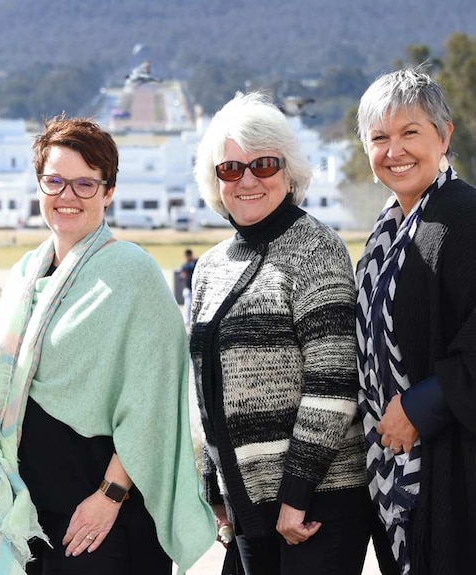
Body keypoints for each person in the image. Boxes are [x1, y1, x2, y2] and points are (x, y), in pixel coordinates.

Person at [0, 115, 215, 575]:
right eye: (55, 181)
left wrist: (110, 495)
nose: (67, 196)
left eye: (85, 184)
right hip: (27, 515)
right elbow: (10, 384)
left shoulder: (132, 272)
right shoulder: (26, 274)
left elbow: (154, 402)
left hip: (99, 519)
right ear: (39, 185)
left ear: (109, 191)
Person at [189, 92, 372, 575]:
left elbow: (334, 384)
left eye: (264, 165)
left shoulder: (317, 249)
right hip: (249, 507)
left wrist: (297, 493)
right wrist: (214, 485)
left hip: (315, 508)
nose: (247, 179)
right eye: (230, 169)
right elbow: (205, 388)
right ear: (214, 180)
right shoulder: (208, 267)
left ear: (289, 173)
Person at [355, 68, 476, 575]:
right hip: (393, 466)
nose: (395, 150)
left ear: (444, 135)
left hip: (454, 467)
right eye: (380, 137)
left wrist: (423, 404)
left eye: (411, 133)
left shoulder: (466, 216)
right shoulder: (387, 231)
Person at [179, 248, 196, 327]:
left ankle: (192, 320)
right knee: (188, 304)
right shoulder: (185, 266)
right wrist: (182, 276)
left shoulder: (194, 263)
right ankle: (187, 321)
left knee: (193, 305)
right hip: (188, 288)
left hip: (195, 288)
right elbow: (180, 277)